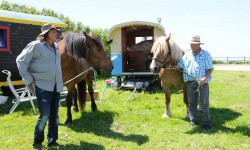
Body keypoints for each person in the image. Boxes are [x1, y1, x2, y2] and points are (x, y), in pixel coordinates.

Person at [16, 23, 63, 149]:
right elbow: (20, 61)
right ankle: (37, 142)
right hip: (43, 86)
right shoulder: (35, 45)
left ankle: (52, 141)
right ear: (46, 33)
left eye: (56, 31)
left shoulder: (56, 46)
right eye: (53, 31)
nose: (56, 33)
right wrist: (29, 78)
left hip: (56, 86)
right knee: (45, 114)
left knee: (54, 115)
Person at [178, 35, 214, 129]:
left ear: (198, 44)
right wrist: (172, 65)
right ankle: (193, 120)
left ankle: (206, 122)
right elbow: (180, 65)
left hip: (203, 82)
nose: (191, 46)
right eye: (191, 44)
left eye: (193, 44)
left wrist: (205, 78)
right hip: (190, 82)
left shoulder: (206, 54)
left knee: (204, 102)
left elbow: (210, 69)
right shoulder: (187, 55)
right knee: (191, 102)